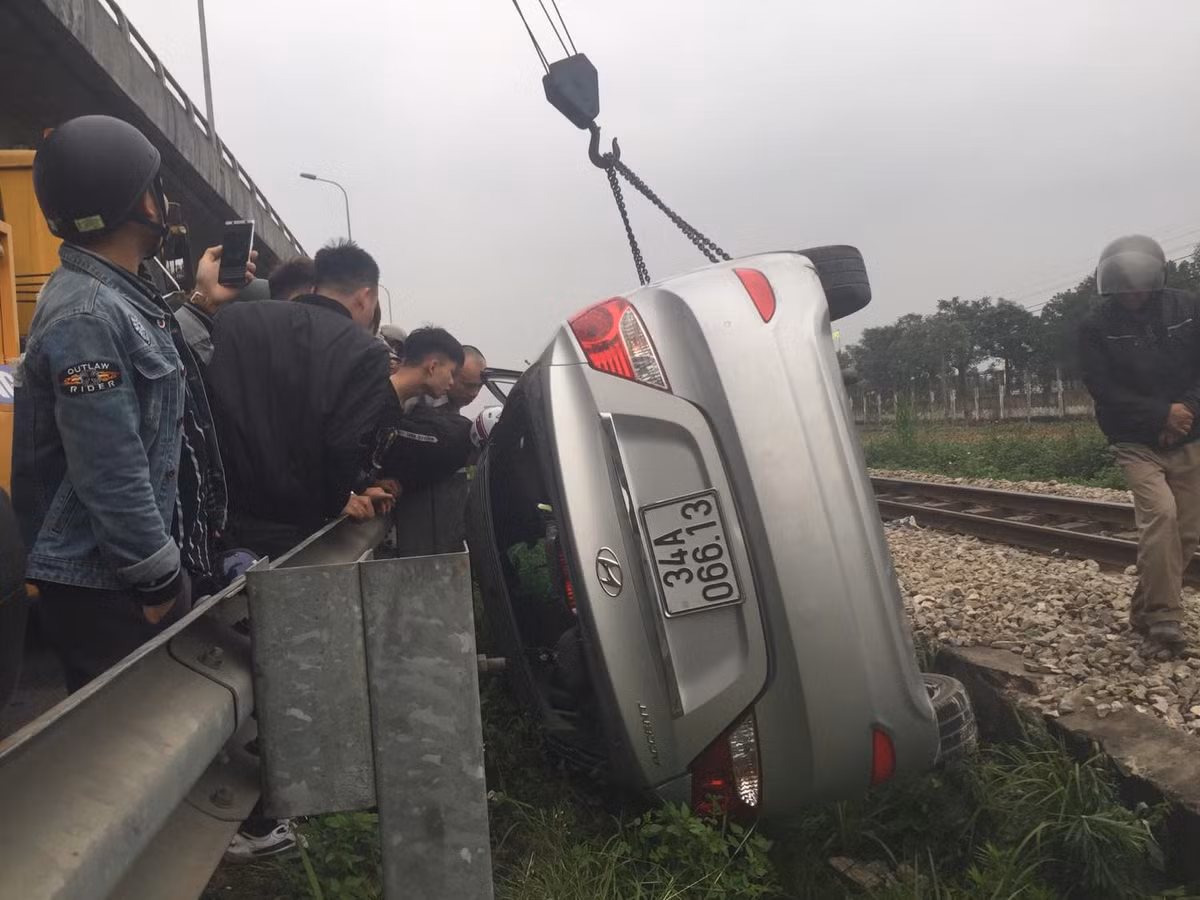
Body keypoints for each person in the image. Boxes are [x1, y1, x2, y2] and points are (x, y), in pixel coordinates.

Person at [12, 115, 246, 692]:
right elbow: (108, 465)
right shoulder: (88, 313)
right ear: (141, 200)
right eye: (156, 188)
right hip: (114, 586)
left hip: (125, 577)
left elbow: (156, 388)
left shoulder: (119, 297)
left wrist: (204, 301)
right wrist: (158, 579)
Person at [204, 239, 395, 560]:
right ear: (366, 296)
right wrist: (342, 496)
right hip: (298, 534)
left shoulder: (232, 319)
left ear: (316, 285)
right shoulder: (367, 352)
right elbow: (343, 444)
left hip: (220, 527)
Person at [1080, 234, 1200, 650]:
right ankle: (1166, 620)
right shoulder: (1095, 326)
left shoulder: (1189, 310)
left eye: (1138, 285)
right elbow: (1104, 390)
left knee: (1186, 534)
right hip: (1133, 440)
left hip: (1190, 434)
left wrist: (1184, 413)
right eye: (1122, 286)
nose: (1131, 294)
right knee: (1161, 516)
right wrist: (1160, 415)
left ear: (1155, 280)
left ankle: (1143, 610)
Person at [367, 328, 467, 491]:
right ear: (433, 366)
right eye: (451, 373)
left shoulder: (394, 404)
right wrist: (355, 491)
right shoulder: (375, 398)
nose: (451, 382)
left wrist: (371, 483)